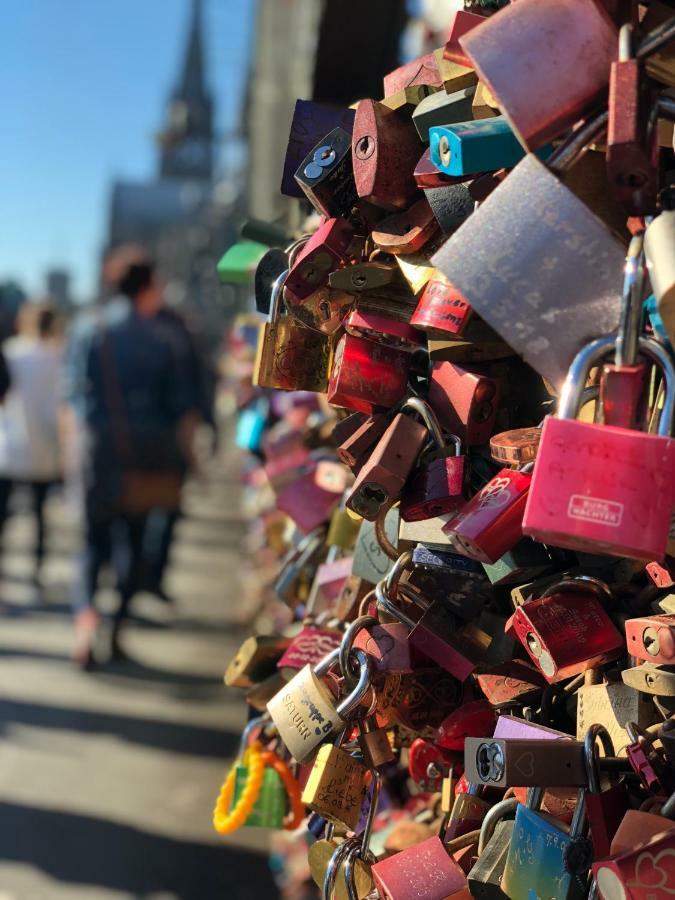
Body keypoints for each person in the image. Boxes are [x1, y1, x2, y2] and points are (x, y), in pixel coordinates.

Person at [61, 247, 200, 667]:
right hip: (150, 456)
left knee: (90, 546)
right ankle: (116, 629)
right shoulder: (168, 337)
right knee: (134, 545)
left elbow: (73, 398)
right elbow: (183, 407)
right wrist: (191, 455)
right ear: (148, 286)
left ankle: (84, 625)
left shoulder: (90, 328)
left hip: (97, 453)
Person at [0, 302, 63, 584]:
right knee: (40, 514)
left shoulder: (11, 352)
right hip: (44, 446)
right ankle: (37, 570)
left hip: (9, 443)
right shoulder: (57, 356)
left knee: (3, 514)